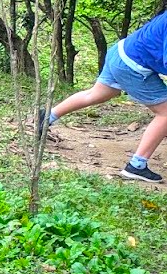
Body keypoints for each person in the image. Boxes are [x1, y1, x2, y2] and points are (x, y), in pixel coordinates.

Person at [40, 9, 167, 183]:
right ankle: (137, 166)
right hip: (133, 65)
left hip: (120, 52)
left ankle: (46, 117)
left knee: (96, 94)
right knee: (165, 112)